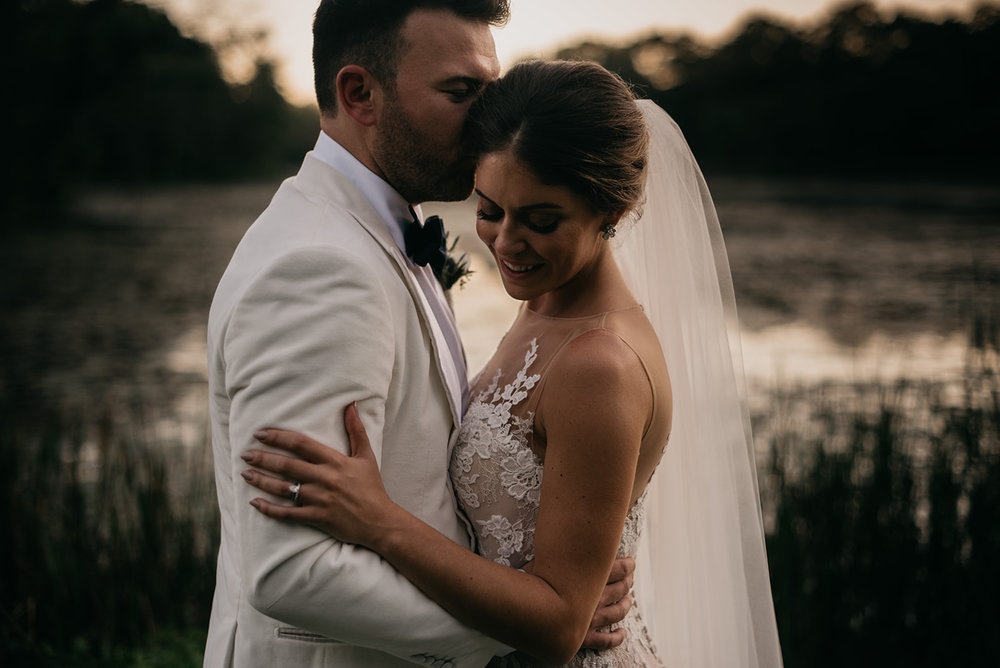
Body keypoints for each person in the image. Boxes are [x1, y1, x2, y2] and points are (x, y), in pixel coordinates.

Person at [241, 60, 785, 667]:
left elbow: (558, 624)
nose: (504, 242)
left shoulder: (598, 364)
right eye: (491, 209)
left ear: (613, 211)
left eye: (541, 220)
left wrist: (381, 522)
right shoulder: (546, 304)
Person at [204, 2, 632, 666]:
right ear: (359, 94)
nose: (491, 121)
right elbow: (291, 569)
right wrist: (529, 625)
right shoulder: (319, 267)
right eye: (462, 93)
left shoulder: (380, 232)